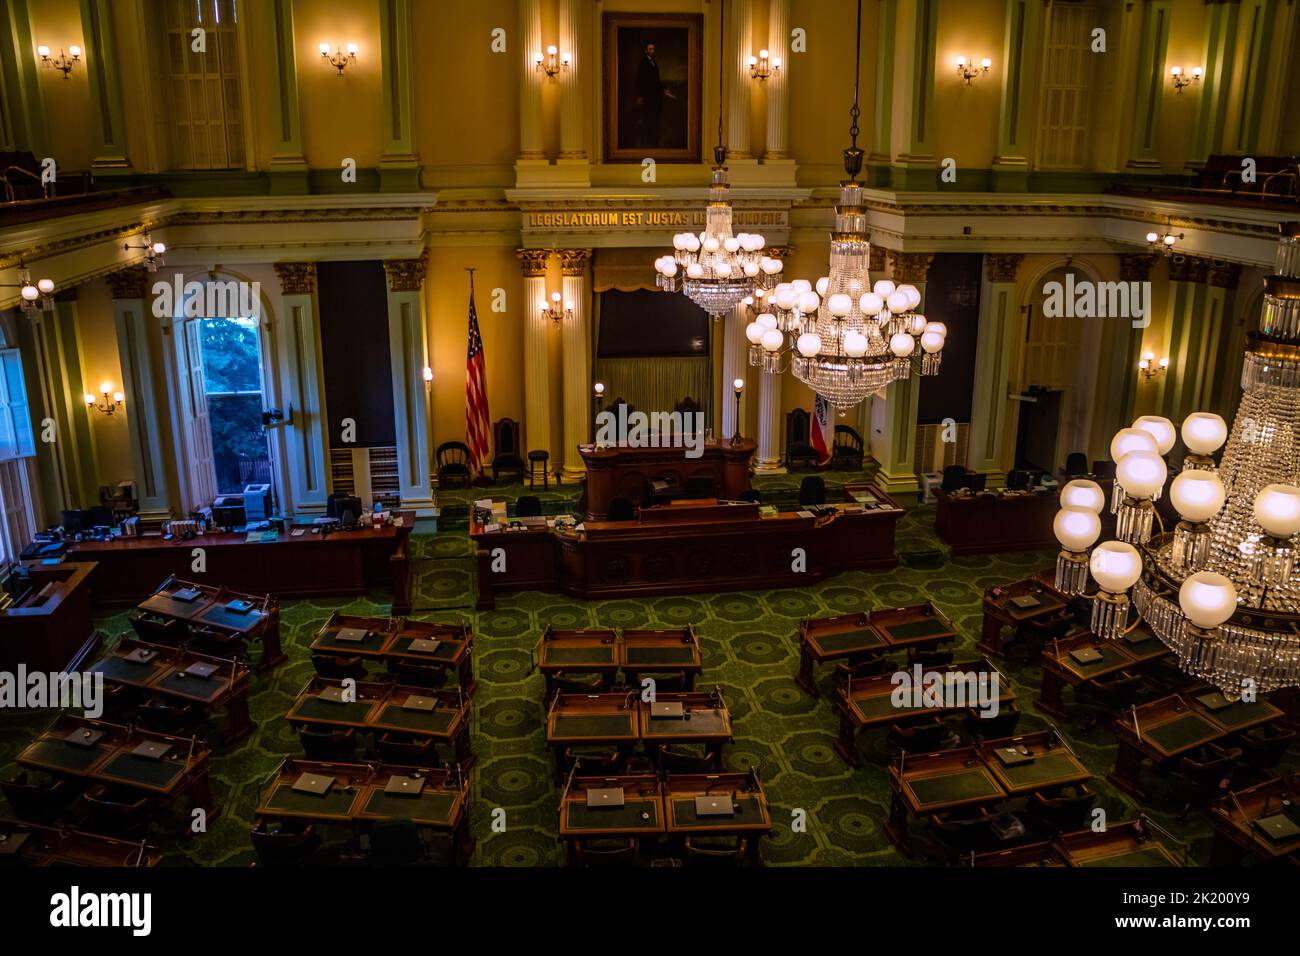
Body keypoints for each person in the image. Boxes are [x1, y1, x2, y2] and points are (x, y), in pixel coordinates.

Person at [633, 41, 675, 147]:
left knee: (655, 119)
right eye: (650, 49)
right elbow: (640, 80)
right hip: (647, 96)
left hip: (655, 97)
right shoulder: (643, 63)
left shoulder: (654, 63)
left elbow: (656, 80)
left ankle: (653, 142)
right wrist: (640, 96)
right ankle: (648, 142)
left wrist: (664, 89)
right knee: (648, 119)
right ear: (646, 50)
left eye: (653, 49)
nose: (652, 50)